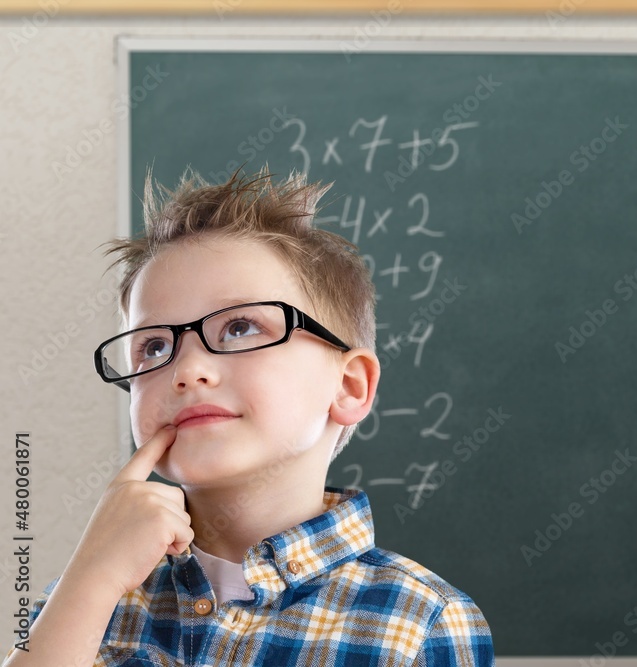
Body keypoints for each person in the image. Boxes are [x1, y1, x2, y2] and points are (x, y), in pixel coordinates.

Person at [3, 167, 494, 666]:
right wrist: (91, 578)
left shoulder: (420, 623)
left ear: (348, 386)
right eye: (153, 346)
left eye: (240, 326)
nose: (188, 369)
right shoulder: (87, 600)